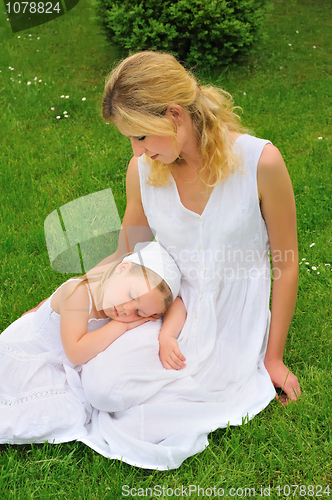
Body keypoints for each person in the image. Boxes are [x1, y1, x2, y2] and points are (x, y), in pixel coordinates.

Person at [77, 51, 301, 470]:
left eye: (141, 135)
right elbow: (130, 246)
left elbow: (287, 264)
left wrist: (272, 358)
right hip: (165, 301)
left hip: (232, 318)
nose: (137, 150)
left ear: (175, 115)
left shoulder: (260, 162)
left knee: (139, 419)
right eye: (130, 138)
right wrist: (80, 289)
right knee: (100, 386)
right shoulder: (141, 168)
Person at [0, 242, 185, 445]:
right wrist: (121, 327)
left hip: (63, 368)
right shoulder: (79, 293)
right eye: (132, 295)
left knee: (71, 413)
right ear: (122, 269)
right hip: (34, 353)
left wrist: (167, 335)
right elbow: (76, 353)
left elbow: (177, 303)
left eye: (139, 313)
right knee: (20, 405)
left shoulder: (126, 296)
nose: (126, 309)